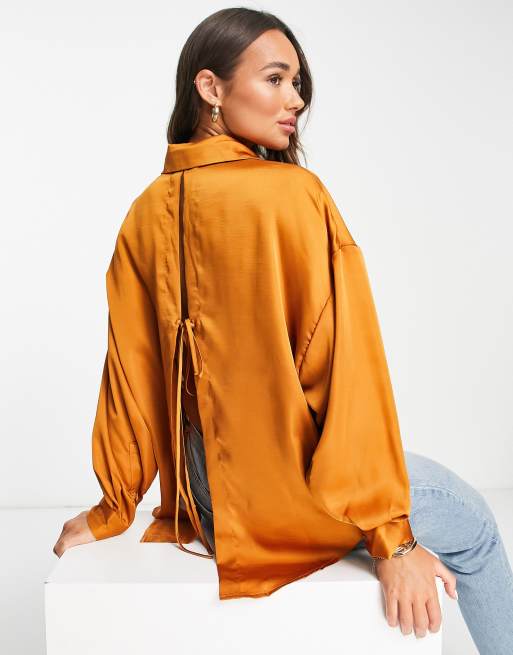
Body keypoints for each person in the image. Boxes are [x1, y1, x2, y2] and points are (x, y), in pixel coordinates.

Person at [52, 7, 513, 651]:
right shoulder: (294, 194)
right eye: (275, 79)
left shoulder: (143, 212)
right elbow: (343, 374)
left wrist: (113, 506)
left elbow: (130, 376)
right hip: (295, 501)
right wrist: (393, 539)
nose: (296, 99)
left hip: (207, 506)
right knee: (477, 527)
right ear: (210, 88)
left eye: (296, 83)